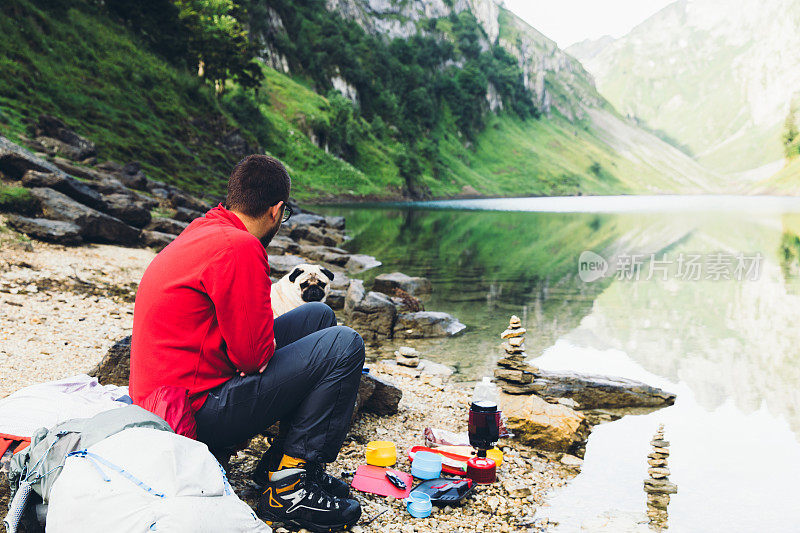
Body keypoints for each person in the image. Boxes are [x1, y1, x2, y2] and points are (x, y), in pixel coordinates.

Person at [129, 154, 365, 532]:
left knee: (318, 317)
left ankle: (280, 465)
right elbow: (253, 358)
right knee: (345, 344)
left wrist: (253, 350)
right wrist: (254, 353)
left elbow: (241, 346)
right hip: (189, 414)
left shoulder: (207, 229)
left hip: (171, 395)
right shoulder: (239, 247)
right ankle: (288, 489)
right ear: (276, 210)